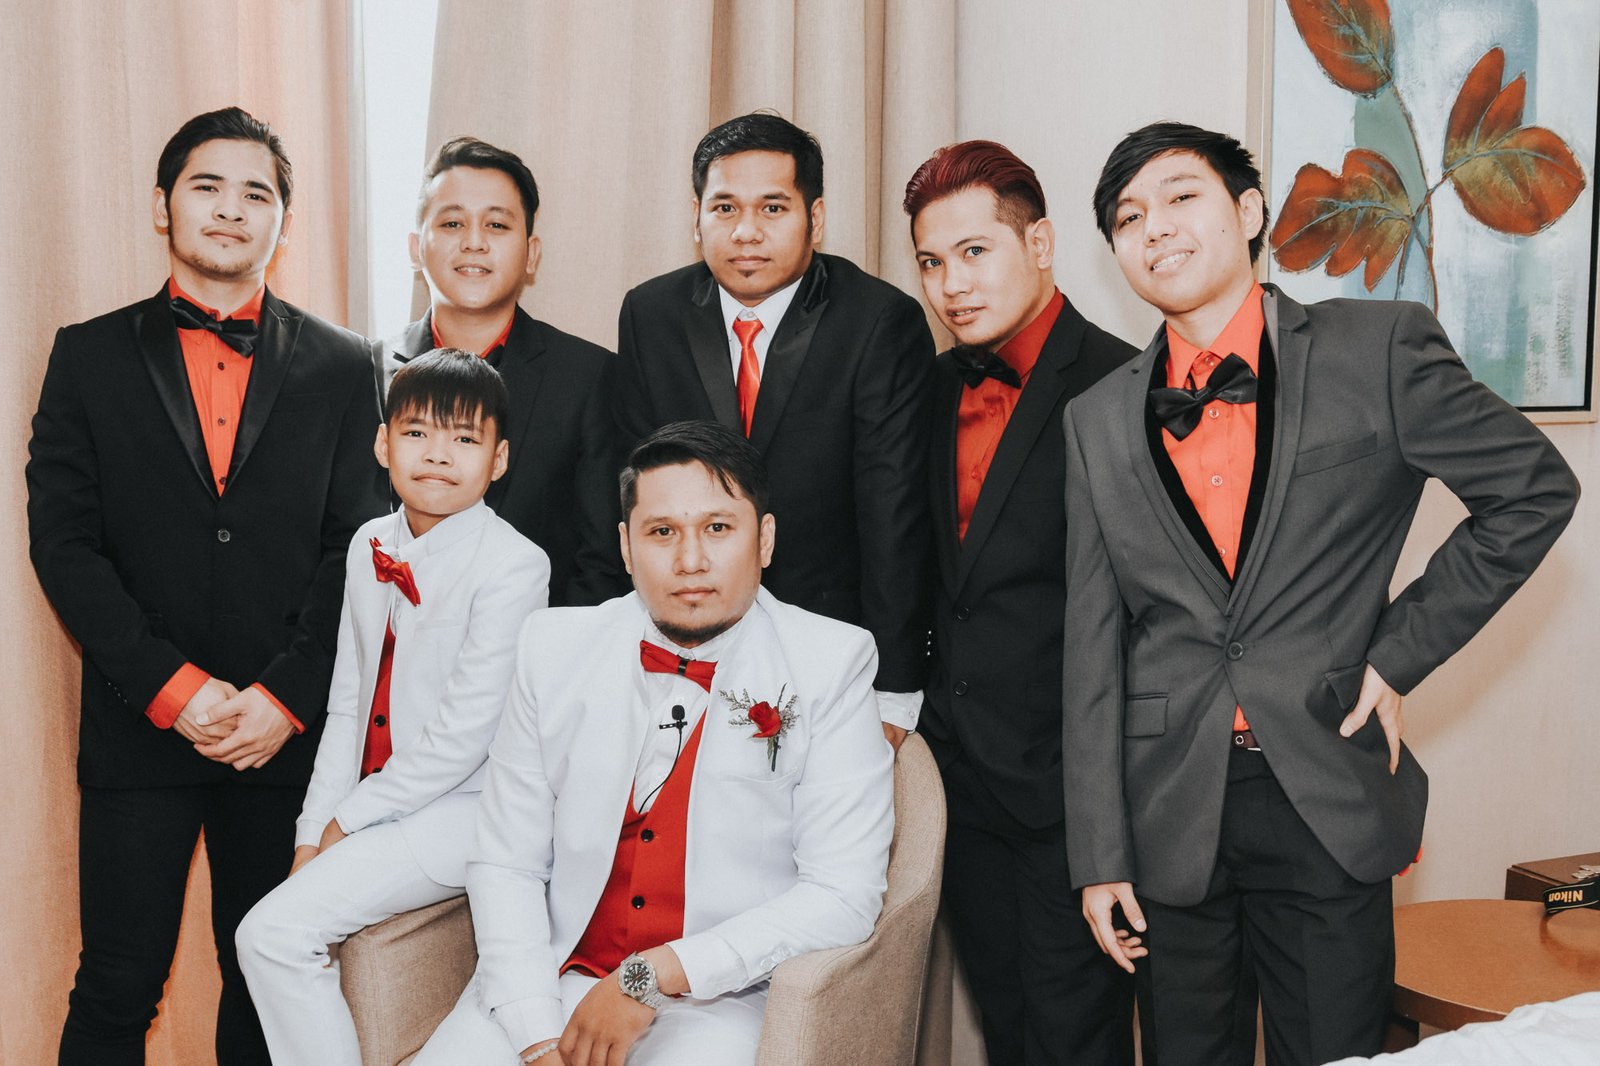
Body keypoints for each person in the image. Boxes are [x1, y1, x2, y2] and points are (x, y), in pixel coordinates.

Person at [1064, 121, 1580, 1066]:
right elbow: (1092, 646)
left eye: (1181, 197)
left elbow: (1532, 490)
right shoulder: (1094, 420)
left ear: (1248, 210)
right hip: (1167, 806)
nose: (1154, 228)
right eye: (1128, 218)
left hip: (1324, 784)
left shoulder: (1375, 349)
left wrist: (1398, 653)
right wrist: (1098, 854)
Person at [26, 106, 388, 1064]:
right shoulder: (87, 355)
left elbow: (357, 549)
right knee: (117, 982)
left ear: (283, 221)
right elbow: (64, 545)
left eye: (256, 194)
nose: (231, 209)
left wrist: (284, 696)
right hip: (139, 724)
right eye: (207, 187)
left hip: (281, 736)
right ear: (163, 205)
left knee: (266, 982)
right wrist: (173, 689)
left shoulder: (350, 365)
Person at [415, 420, 894, 1066]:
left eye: (717, 528)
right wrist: (534, 1032)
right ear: (625, 545)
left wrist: (654, 973)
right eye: (662, 532)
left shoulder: (831, 663)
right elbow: (507, 860)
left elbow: (843, 894)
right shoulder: (551, 648)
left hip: (716, 996)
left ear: (765, 539)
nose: (690, 561)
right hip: (551, 977)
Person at [235, 348, 550, 1063]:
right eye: (416, 433)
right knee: (275, 930)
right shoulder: (369, 543)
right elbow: (348, 705)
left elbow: (463, 738)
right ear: (383, 445)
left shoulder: (515, 565)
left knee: (271, 934)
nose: (437, 454)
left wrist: (347, 823)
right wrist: (310, 834)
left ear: (499, 459)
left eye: (464, 438)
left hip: (469, 809)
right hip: (383, 807)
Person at [904, 140, 1137, 1066]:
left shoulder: (1126, 384)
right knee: (1006, 1031)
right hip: (958, 783)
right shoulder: (927, 388)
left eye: (974, 252)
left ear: (1039, 244)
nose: (951, 284)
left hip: (1076, 794)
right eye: (931, 262)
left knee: (1077, 1043)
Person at [611, 112, 935, 749]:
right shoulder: (650, 314)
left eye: (773, 208)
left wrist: (894, 688)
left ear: (815, 218)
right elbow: (632, 496)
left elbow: (893, 515)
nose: (746, 231)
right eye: (724, 208)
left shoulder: (878, 322)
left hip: (828, 643)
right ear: (696, 216)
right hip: (682, 639)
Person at [383, 136, 628, 606]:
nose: (474, 242)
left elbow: (600, 561)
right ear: (415, 249)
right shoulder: (365, 368)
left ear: (532, 253)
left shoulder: (588, 377)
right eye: (452, 223)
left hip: (536, 643)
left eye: (496, 224)